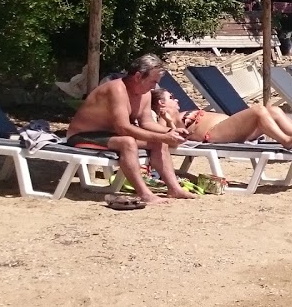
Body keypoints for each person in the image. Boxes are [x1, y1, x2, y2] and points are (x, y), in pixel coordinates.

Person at [65, 54, 196, 205]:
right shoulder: (117, 90)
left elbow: (146, 122)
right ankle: (144, 194)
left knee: (159, 143)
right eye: (152, 81)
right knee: (128, 142)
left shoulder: (145, 93)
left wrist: (168, 133)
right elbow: (123, 128)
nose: (154, 87)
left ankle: (174, 189)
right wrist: (162, 137)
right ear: (138, 76)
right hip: (82, 135)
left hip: (109, 134)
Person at [149, 89, 292, 149]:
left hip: (227, 128)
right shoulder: (163, 119)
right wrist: (170, 122)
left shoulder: (179, 112)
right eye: (171, 98)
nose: (176, 99)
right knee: (258, 110)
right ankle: (285, 140)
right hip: (214, 134)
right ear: (161, 104)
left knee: (272, 109)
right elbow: (169, 140)